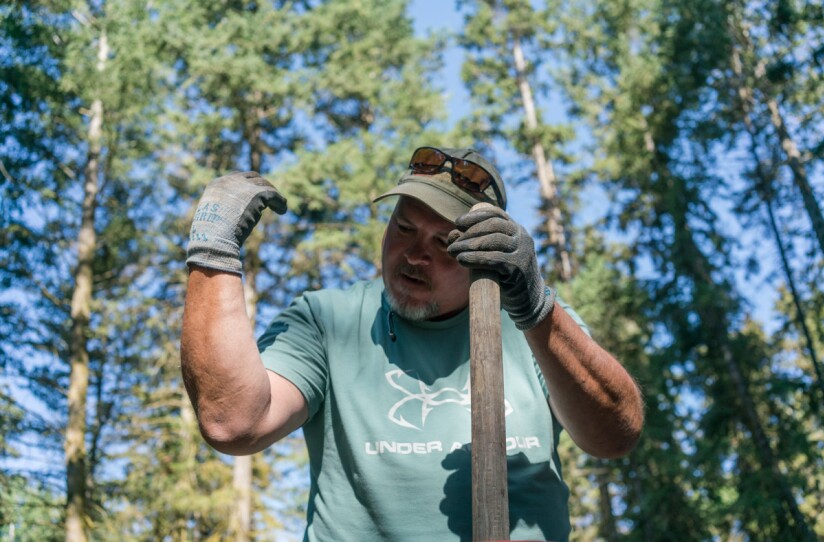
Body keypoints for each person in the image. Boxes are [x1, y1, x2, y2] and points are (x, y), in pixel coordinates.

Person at [181, 146, 644, 541]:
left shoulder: (535, 327)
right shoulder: (328, 320)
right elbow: (233, 422)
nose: (415, 254)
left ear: (485, 257)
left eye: (444, 242)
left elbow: (615, 435)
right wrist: (213, 254)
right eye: (403, 228)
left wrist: (536, 310)